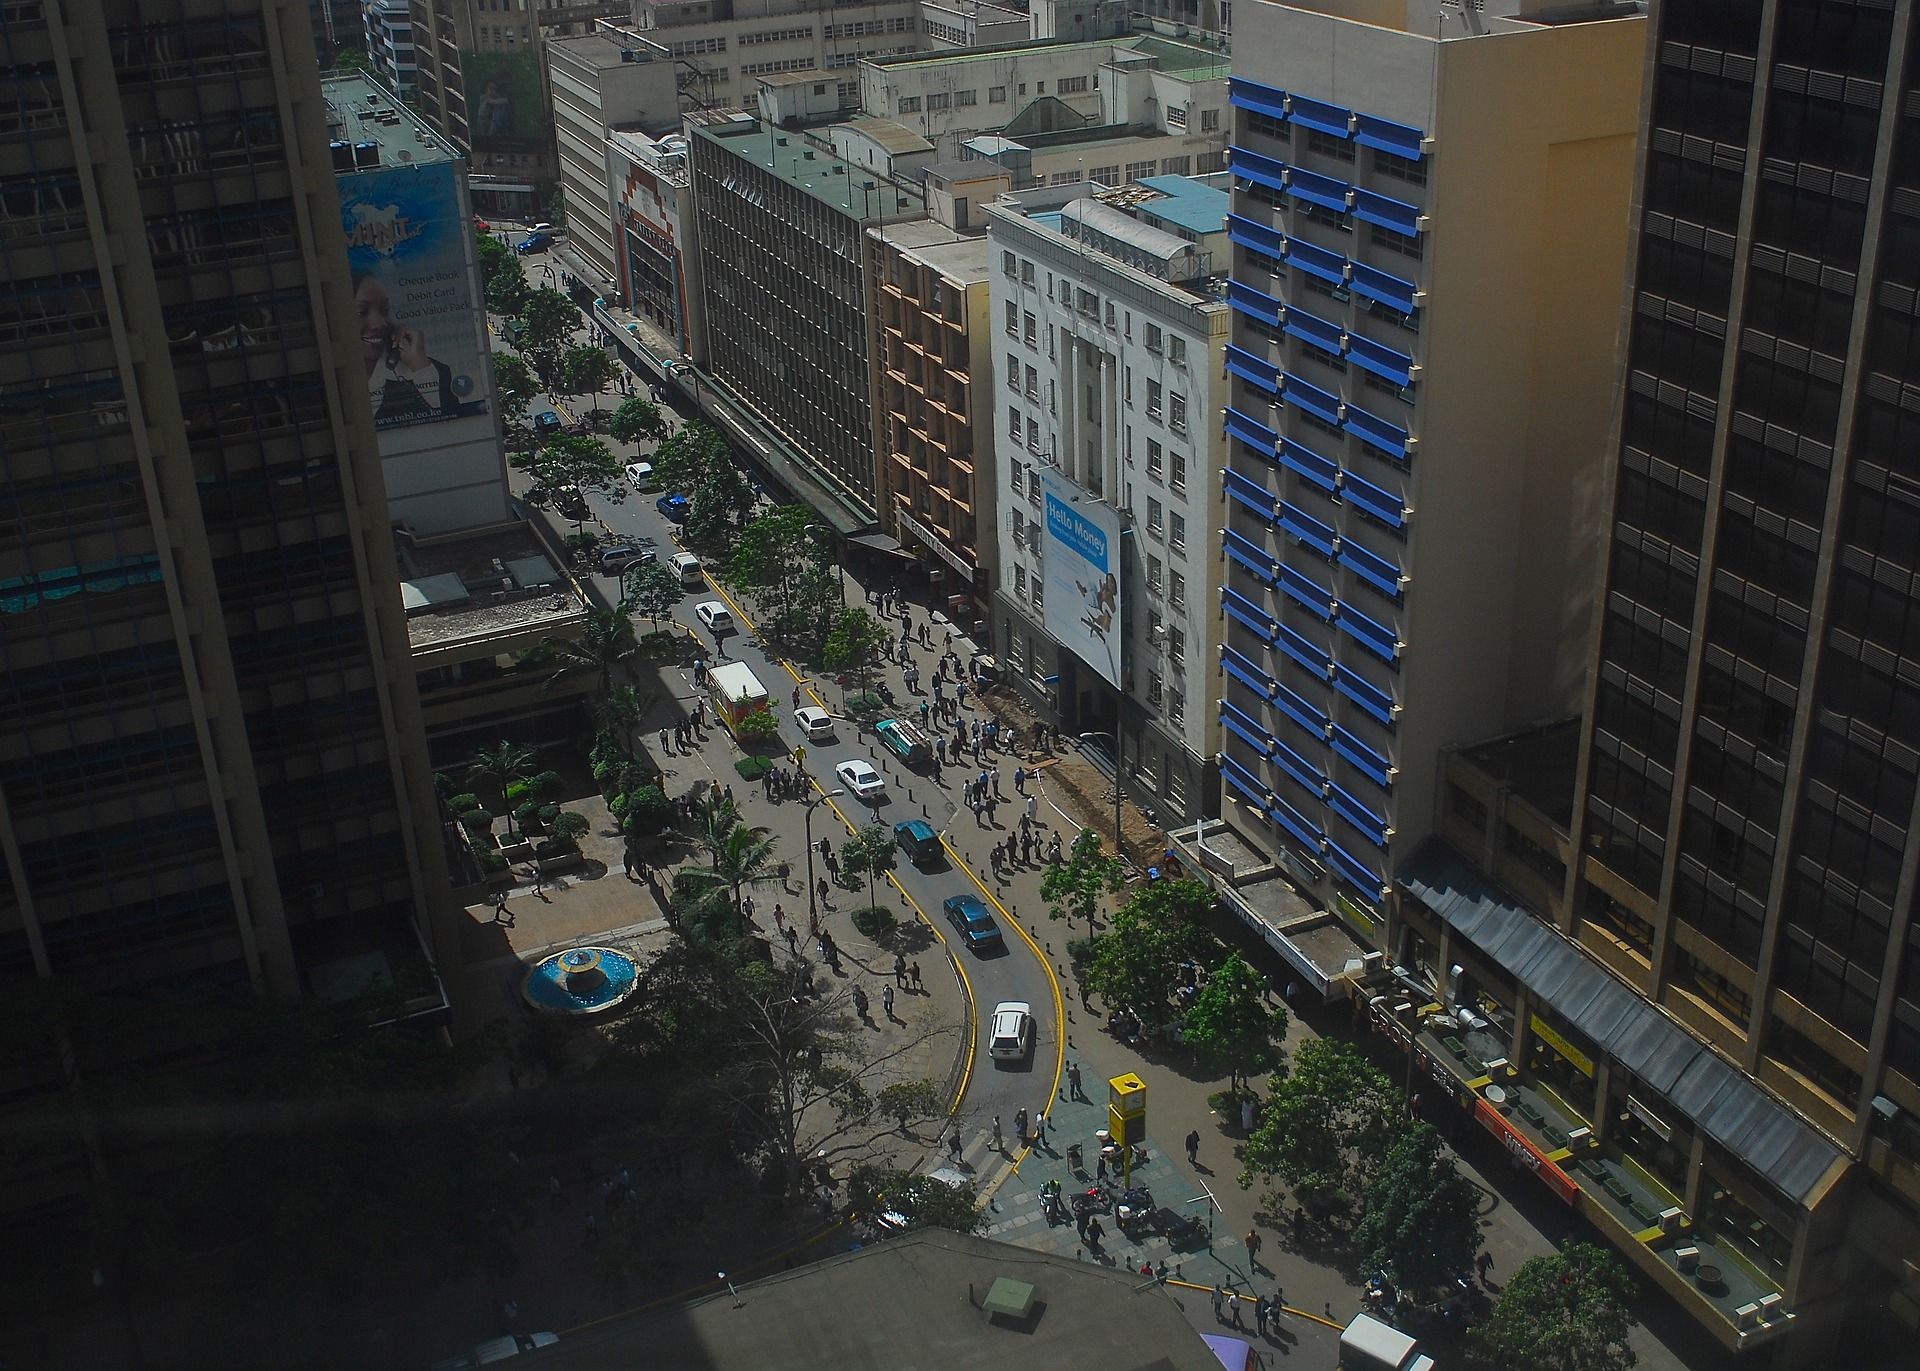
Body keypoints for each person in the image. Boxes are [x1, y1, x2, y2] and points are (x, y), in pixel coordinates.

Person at [353, 272, 462, 425]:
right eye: (361, 313)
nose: (379, 324)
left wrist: (421, 368)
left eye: (384, 310)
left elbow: (454, 421)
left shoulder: (432, 371)